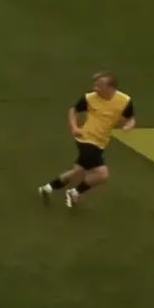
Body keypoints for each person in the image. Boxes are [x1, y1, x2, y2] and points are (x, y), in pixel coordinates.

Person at [42, 74, 136, 209]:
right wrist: (74, 127)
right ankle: (68, 191)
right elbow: (73, 110)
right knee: (97, 173)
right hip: (86, 139)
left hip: (101, 142)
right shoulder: (90, 98)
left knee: (84, 172)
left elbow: (130, 118)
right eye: (95, 85)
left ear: (111, 88)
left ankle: (49, 188)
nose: (95, 88)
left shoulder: (124, 101)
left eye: (99, 86)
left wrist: (128, 126)